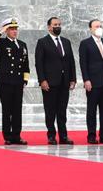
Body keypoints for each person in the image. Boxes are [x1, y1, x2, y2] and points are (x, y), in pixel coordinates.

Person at [0, 17, 29, 145]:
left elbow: (26, 63)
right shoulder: (2, 43)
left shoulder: (22, 44)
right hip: (6, 82)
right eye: (11, 29)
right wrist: (0, 32)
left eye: (16, 29)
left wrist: (25, 80)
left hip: (18, 82)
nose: (15, 31)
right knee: (7, 110)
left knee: (17, 110)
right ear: (6, 30)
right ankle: (8, 136)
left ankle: (17, 135)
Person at [34, 16, 76, 145]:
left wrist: (73, 79)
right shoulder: (42, 42)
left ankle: (64, 136)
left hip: (64, 82)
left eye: (59, 24)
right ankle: (51, 135)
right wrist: (42, 80)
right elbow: (39, 63)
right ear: (49, 27)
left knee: (62, 111)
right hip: (50, 83)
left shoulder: (66, 42)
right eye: (55, 24)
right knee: (50, 110)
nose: (57, 26)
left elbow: (71, 61)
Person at [79, 19, 103, 144]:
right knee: (92, 110)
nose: (99, 28)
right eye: (96, 26)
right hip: (93, 82)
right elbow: (83, 63)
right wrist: (86, 80)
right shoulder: (85, 43)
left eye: (100, 26)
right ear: (90, 29)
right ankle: (91, 135)